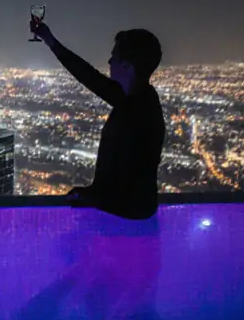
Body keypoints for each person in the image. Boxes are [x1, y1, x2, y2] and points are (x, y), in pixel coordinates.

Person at [30, 19, 166, 219]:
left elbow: (130, 183)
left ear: (127, 66)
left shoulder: (138, 111)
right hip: (126, 213)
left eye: (113, 57)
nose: (109, 63)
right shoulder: (137, 98)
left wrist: (91, 197)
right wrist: (51, 41)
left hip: (125, 219)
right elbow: (89, 76)